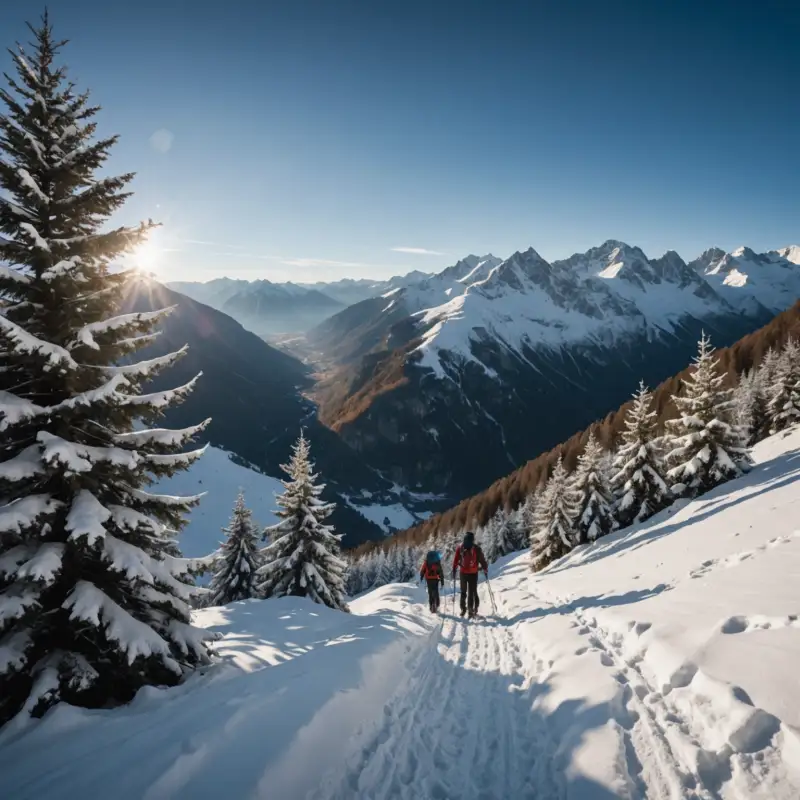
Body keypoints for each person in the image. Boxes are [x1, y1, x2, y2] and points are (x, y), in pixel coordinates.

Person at [452, 532, 488, 618]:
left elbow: (456, 560)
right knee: (472, 592)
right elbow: (482, 560)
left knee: (463, 591)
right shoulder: (477, 549)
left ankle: (463, 609)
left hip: (463, 573)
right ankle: (471, 610)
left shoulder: (460, 547)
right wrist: (485, 569)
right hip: (473, 573)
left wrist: (454, 569)